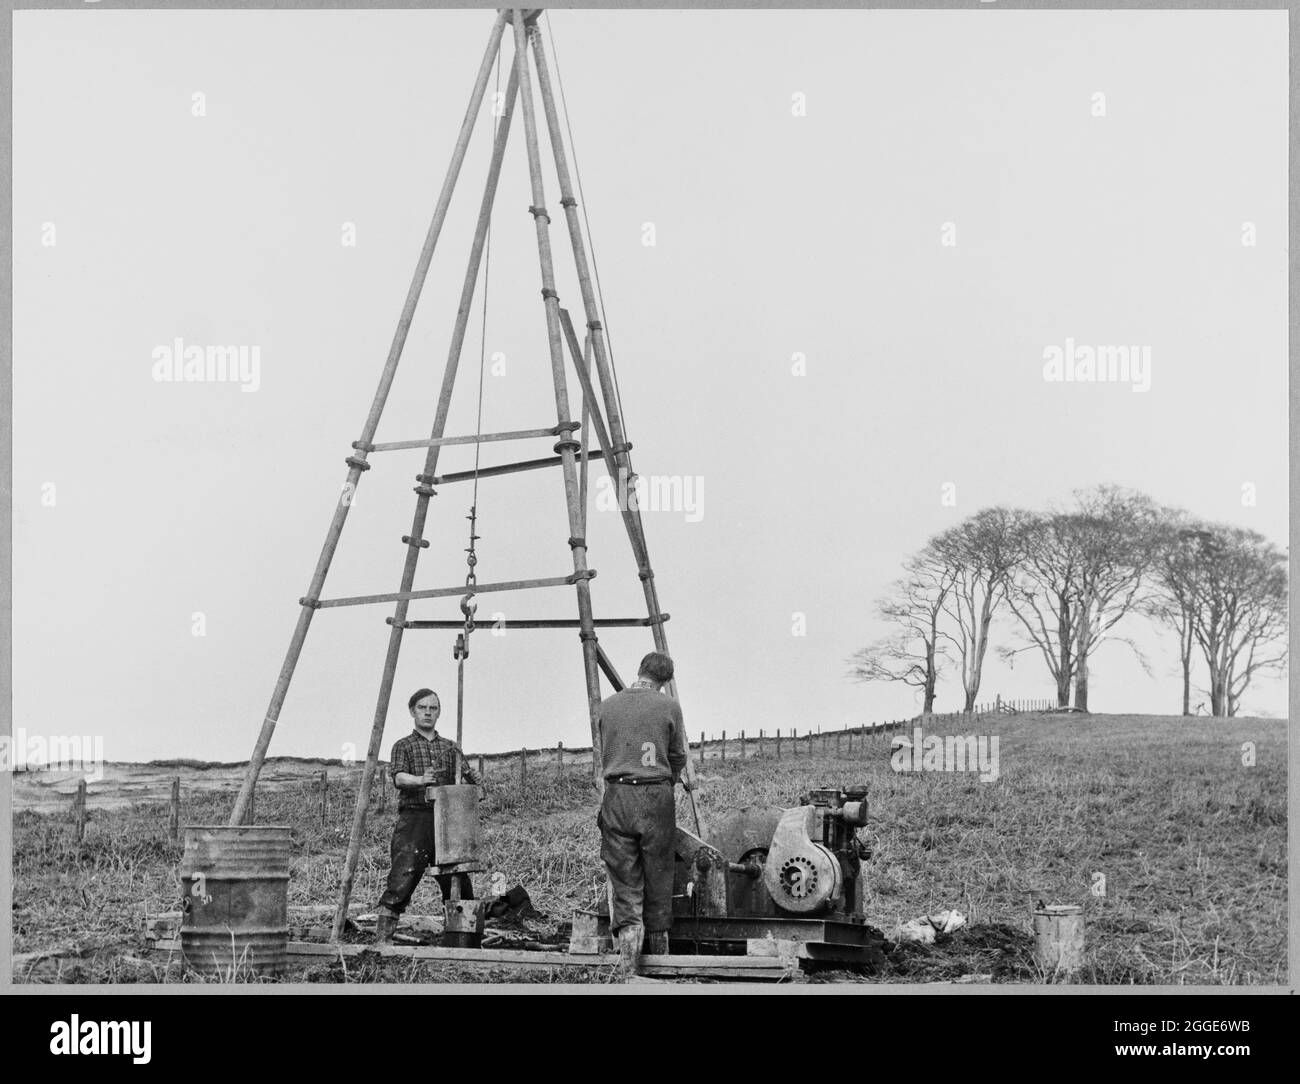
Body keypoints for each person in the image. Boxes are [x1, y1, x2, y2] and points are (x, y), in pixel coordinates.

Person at [596, 651, 691, 977]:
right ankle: (662, 964)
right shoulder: (669, 707)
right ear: (665, 681)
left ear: (639, 670)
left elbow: (605, 750)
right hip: (656, 798)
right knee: (660, 875)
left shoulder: (607, 706)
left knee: (624, 878)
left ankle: (627, 970)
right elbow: (678, 754)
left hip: (619, 796)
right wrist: (670, 778)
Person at [374, 687, 482, 944]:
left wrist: (474, 778)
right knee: (403, 875)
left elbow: (466, 777)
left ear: (439, 713)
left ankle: (464, 939)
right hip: (416, 819)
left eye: (433, 708)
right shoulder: (404, 746)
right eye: (422, 708)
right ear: (413, 711)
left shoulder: (450, 748)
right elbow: (399, 778)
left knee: (457, 878)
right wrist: (421, 780)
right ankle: (383, 940)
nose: (427, 713)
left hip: (448, 820)